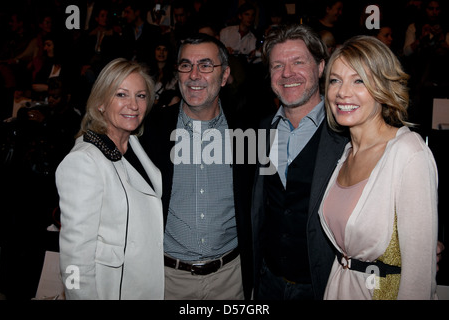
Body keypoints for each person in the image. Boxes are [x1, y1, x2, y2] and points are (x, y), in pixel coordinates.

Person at [318, 35, 438, 300]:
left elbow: (419, 277)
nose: (342, 92)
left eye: (358, 80)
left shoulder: (408, 153)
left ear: (383, 86)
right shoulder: (346, 153)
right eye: (335, 80)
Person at [140, 33, 254, 300]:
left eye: (205, 65)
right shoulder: (150, 130)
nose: (193, 75)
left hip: (231, 279)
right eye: (185, 65)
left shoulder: (248, 132)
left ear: (224, 76)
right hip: (167, 280)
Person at [251, 23, 349, 300]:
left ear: (320, 67)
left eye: (298, 62)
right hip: (267, 281)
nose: (287, 74)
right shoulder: (261, 130)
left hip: (322, 285)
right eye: (277, 65)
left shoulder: (345, 133)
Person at [56, 58, 164, 299]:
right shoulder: (84, 161)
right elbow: (73, 258)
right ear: (102, 103)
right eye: (122, 95)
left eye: (141, 96)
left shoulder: (136, 144)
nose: (133, 105)